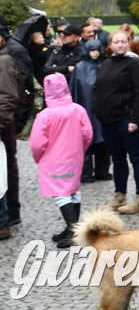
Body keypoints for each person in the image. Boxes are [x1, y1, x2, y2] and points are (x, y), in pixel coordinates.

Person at [29, 73, 92, 248]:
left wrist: (38, 157)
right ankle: (73, 228)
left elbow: (36, 142)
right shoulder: (78, 109)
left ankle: (72, 231)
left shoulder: (45, 115)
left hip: (54, 160)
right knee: (72, 189)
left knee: (60, 193)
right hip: (75, 156)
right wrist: (81, 149)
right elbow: (88, 134)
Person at [92, 30, 139, 214]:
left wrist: (134, 119)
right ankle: (120, 196)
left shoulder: (134, 63)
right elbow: (99, 89)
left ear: (129, 43)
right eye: (116, 42)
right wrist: (97, 110)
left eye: (123, 41)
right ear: (110, 44)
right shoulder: (107, 63)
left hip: (127, 120)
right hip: (108, 120)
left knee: (136, 158)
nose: (119, 45)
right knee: (117, 159)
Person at [69, 39, 112, 183]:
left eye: (97, 50)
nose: (95, 53)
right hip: (85, 108)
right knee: (86, 140)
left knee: (103, 140)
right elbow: (75, 90)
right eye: (92, 50)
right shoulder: (79, 68)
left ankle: (102, 171)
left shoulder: (105, 66)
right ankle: (86, 173)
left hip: (102, 109)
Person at [0, 15, 26, 237]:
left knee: (4, 169)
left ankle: (6, 218)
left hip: (3, 125)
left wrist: (3, 125)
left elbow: (9, 96)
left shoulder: (7, 58)